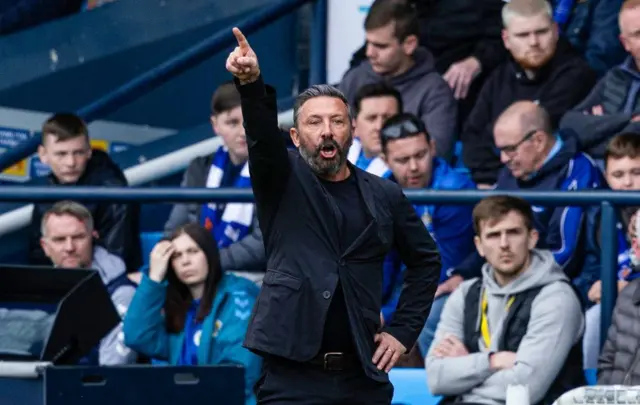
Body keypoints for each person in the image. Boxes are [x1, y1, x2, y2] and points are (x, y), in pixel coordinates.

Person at [226, 27, 440, 404]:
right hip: (292, 377)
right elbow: (261, 137)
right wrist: (251, 84)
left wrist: (403, 331)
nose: (327, 132)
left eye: (337, 121)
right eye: (314, 123)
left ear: (352, 130)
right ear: (294, 137)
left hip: (362, 375)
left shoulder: (384, 193)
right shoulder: (281, 179)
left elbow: (425, 261)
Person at [426, 195, 585, 405]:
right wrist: (492, 361)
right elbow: (436, 378)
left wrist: (465, 371)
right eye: (493, 235)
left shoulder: (557, 298)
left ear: (532, 238)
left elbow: (526, 387)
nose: (504, 244)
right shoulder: (464, 294)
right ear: (479, 245)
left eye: (513, 232)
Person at [461, 0, 596, 187]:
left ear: (556, 31)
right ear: (506, 39)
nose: (534, 42)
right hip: (495, 184)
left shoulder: (577, 75)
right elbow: (473, 137)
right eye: (523, 35)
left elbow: (539, 135)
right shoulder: (498, 77)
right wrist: (487, 180)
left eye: (542, 32)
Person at [123, 223, 261, 405]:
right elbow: (137, 336)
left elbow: (238, 375)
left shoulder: (238, 297)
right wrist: (154, 278)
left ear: (210, 254)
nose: (185, 261)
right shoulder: (181, 307)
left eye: (193, 251)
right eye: (177, 256)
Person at [376, 113, 477, 356]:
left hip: (454, 282)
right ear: (385, 160)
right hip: (408, 283)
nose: (413, 167)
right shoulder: (382, 192)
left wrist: (389, 313)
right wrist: (373, 308)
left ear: (432, 147)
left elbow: (439, 273)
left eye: (420, 155)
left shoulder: (454, 191)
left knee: (427, 314)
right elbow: (384, 260)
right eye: (402, 159)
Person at [164, 81, 265, 279]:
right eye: (232, 123)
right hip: (200, 273)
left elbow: (264, 244)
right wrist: (163, 252)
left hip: (255, 278)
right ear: (215, 125)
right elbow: (175, 228)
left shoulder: (280, 168)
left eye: (250, 121)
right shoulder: (199, 169)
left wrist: (208, 262)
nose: (243, 132)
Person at [339, 0, 458, 160]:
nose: (369, 53)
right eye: (368, 43)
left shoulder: (435, 91)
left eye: (380, 46)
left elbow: (435, 154)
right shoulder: (354, 78)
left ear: (409, 44)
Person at [29, 112, 142, 271]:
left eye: (78, 152)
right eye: (61, 154)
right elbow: (37, 257)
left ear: (89, 151)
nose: (70, 162)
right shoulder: (48, 191)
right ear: (43, 155)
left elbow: (116, 261)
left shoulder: (113, 192)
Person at [40, 200, 137, 365]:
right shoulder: (35, 289)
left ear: (94, 237)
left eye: (78, 237)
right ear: (45, 246)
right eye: (59, 240)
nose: (69, 247)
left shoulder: (122, 292)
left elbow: (112, 372)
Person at [559, 0, 640, 160]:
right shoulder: (615, 76)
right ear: (625, 43)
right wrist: (626, 120)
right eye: (638, 34)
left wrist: (598, 127)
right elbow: (569, 125)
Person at [347, 82, 403, 178]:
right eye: (371, 118)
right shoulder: (334, 157)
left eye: (388, 118)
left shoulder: (414, 167)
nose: (379, 126)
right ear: (354, 127)